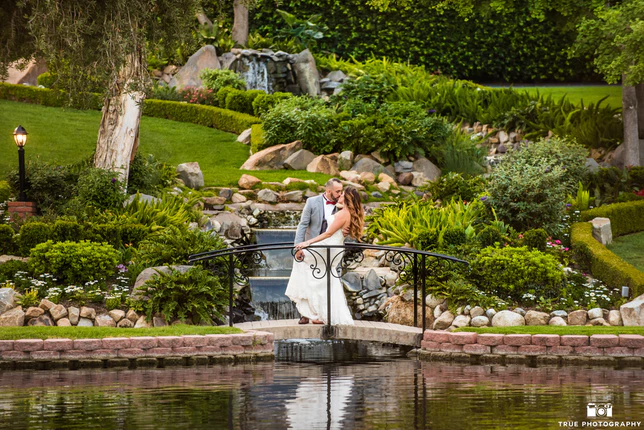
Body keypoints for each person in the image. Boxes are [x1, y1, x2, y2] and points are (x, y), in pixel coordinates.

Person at [285, 186, 364, 326]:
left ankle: (314, 312)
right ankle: (318, 313)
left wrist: (307, 242)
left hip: (328, 247)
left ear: (347, 198)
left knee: (301, 260)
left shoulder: (343, 214)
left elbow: (328, 233)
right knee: (324, 278)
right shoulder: (346, 213)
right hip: (333, 247)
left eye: (342, 194)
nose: (339, 195)